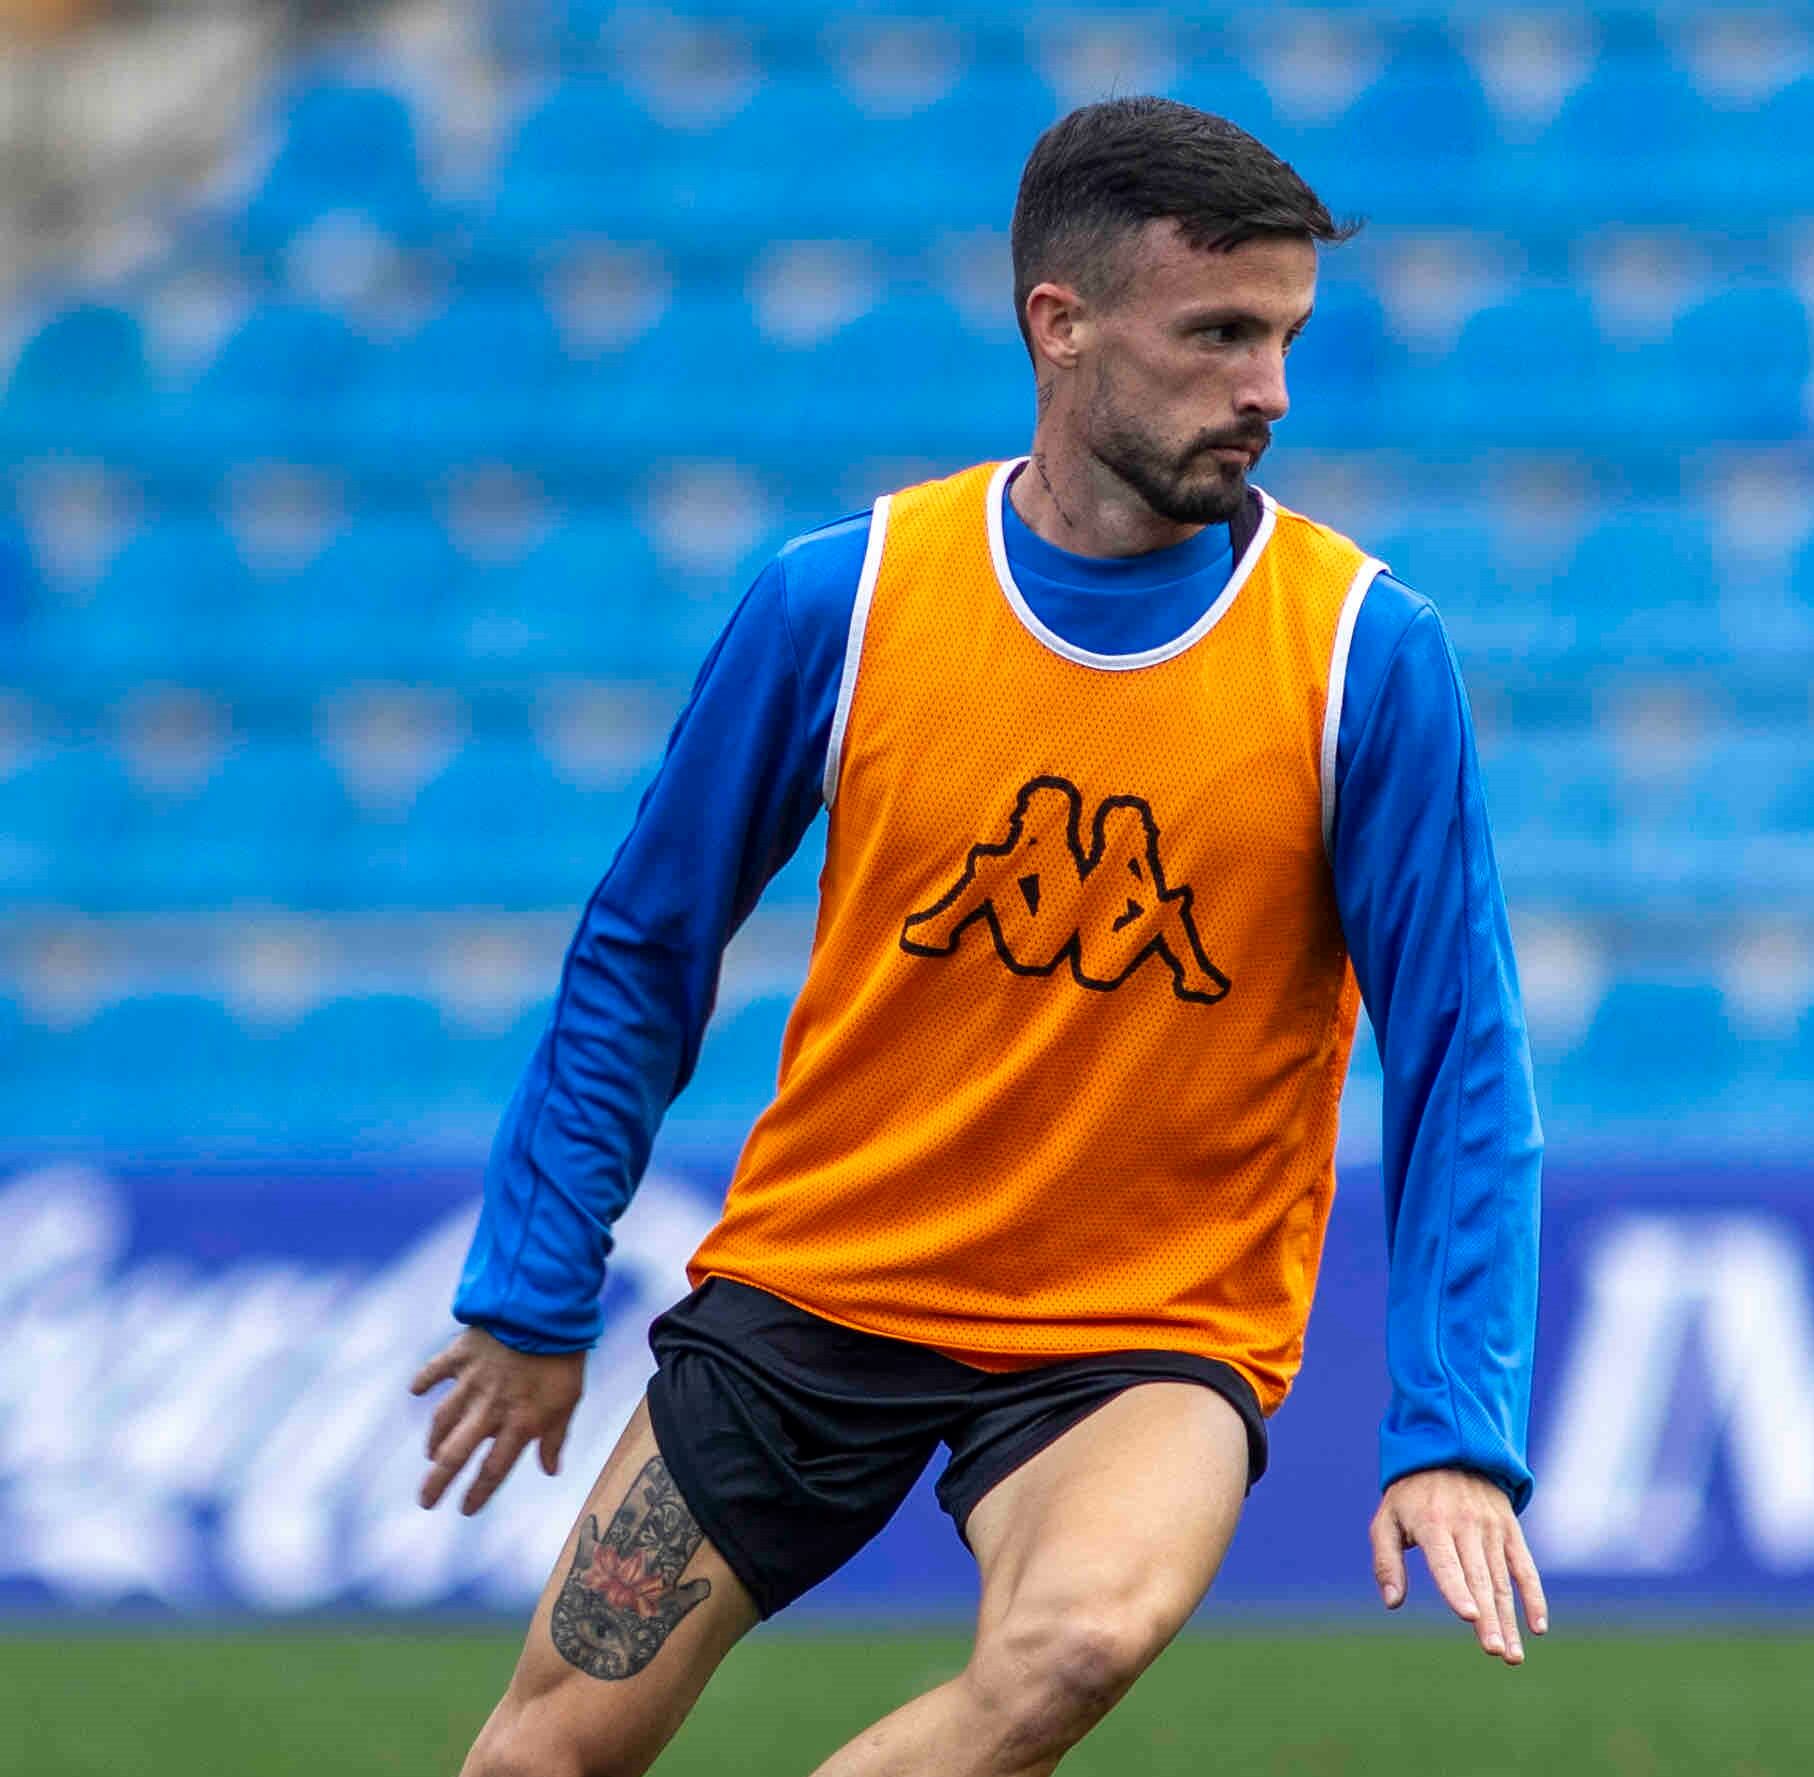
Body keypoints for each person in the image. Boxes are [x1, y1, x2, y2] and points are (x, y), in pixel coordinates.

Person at [409, 96, 1546, 1777]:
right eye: (1221, 333)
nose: (1271, 391)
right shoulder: (844, 600)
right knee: (536, 1757)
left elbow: (1461, 1060)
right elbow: (645, 945)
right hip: (822, 1282)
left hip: (1144, 1332)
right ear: (1060, 327)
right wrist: (532, 1280)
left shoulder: (1361, 654)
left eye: (1288, 336)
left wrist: (1454, 1427)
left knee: (1070, 1645)